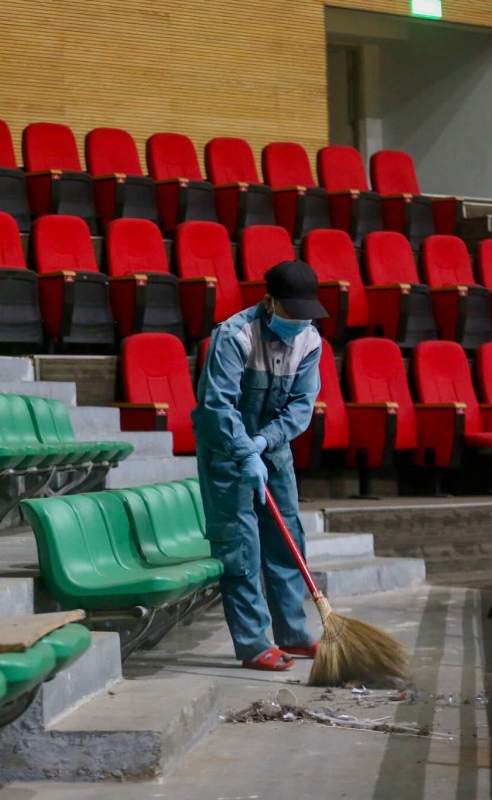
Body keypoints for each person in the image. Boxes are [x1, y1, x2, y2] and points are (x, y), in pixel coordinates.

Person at [190, 260, 327, 672]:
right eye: (291, 313)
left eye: (306, 315)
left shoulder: (310, 340)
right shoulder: (234, 336)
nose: (299, 322)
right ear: (269, 303)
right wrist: (244, 450)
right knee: (241, 546)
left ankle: (293, 634)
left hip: (273, 447)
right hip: (226, 451)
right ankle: (253, 643)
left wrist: (266, 441)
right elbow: (217, 404)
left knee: (287, 541)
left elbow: (301, 406)